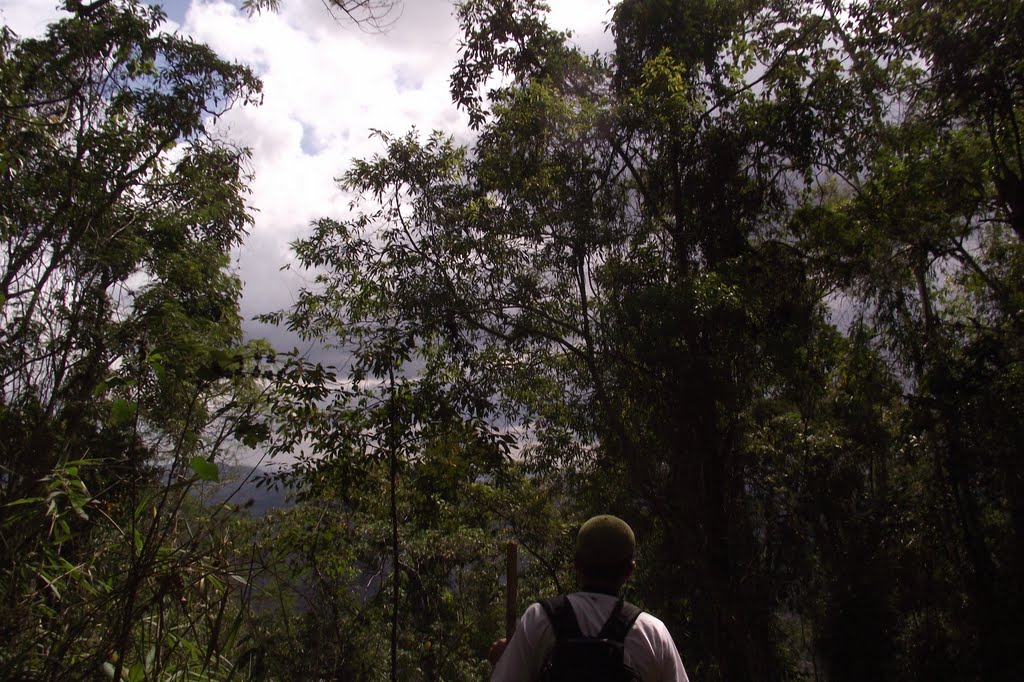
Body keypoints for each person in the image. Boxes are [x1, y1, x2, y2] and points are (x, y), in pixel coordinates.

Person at [490, 515, 690, 682]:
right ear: (630, 570)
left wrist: (504, 660)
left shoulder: (539, 619)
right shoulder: (653, 633)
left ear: (577, 564)